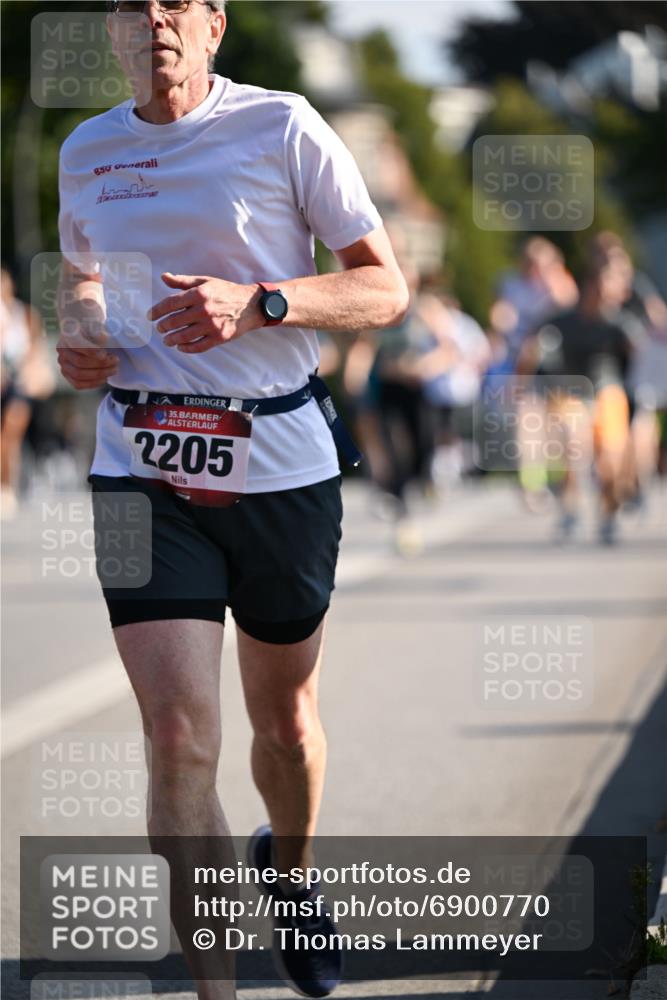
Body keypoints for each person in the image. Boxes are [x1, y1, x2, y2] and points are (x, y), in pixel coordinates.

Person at [55, 2, 408, 997]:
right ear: (114, 33)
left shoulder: (283, 125)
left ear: (214, 27)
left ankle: (289, 874)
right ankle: (214, 989)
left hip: (278, 461)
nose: (155, 20)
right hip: (141, 459)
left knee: (284, 717)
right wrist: (80, 329)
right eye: (135, 6)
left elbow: (383, 291)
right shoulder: (85, 150)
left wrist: (263, 303)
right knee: (177, 737)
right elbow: (83, 275)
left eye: (178, 3)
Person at [1, 267, 55, 516]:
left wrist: (30, 373)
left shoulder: (24, 315)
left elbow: (36, 350)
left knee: (11, 432)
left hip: (20, 384)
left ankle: (7, 486)